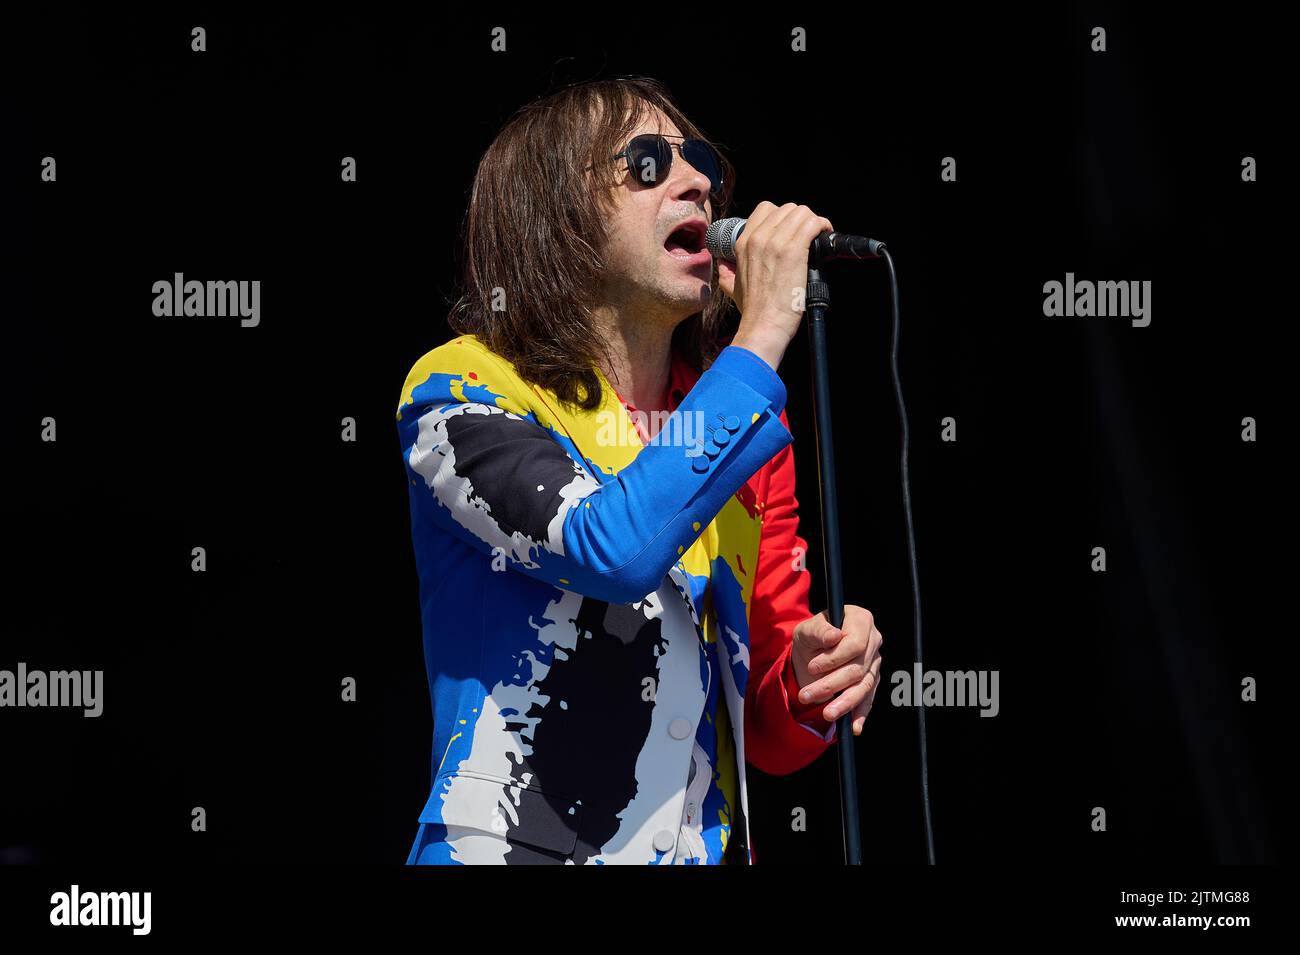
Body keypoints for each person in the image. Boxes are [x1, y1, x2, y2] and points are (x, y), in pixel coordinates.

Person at [395, 76, 884, 864]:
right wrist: (760, 336)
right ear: (558, 217)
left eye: (701, 161)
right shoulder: (462, 388)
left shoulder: (745, 421)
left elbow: (768, 734)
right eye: (649, 162)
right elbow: (610, 547)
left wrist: (811, 679)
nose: (697, 180)